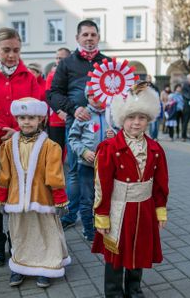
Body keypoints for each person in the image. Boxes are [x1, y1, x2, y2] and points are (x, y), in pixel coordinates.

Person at [92, 82, 169, 297]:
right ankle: (114, 292)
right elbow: (102, 185)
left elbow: (161, 183)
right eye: (131, 117)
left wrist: (160, 210)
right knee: (115, 252)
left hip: (144, 208)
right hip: (118, 208)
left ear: (149, 120)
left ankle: (134, 289)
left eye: (142, 118)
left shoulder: (155, 148)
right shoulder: (109, 148)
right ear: (120, 119)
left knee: (140, 249)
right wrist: (102, 215)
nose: (136, 123)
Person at [0, 27, 40, 267]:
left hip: (20, 144)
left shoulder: (28, 76)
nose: (12, 55)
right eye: (6, 50)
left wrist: (20, 133)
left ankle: (17, 242)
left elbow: (36, 109)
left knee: (19, 197)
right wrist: (0, 134)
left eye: (16, 50)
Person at [0, 98, 70, 288]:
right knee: (20, 233)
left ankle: (47, 266)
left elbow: (55, 175)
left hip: (42, 199)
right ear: (16, 119)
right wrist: (1, 198)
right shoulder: (7, 146)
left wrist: (60, 200)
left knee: (46, 232)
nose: (26, 122)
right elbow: (4, 174)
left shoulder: (50, 146)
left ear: (41, 120)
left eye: (31, 118)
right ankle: (20, 266)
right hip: (17, 199)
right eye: (22, 118)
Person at [48, 20, 110, 230]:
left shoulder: (108, 63)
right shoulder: (67, 63)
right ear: (78, 38)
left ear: (98, 37)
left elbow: (119, 94)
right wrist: (74, 109)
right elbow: (53, 94)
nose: (89, 38)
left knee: (105, 173)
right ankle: (72, 214)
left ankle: (99, 217)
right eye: (85, 35)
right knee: (75, 172)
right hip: (77, 126)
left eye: (93, 34)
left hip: (105, 127)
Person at [67, 90, 107, 242]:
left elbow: (122, 134)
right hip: (86, 165)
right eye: (91, 95)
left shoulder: (112, 115)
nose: (95, 98)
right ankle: (89, 229)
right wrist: (83, 152)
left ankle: (101, 226)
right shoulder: (84, 115)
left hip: (107, 166)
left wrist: (114, 134)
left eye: (98, 94)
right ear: (87, 97)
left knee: (103, 198)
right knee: (87, 199)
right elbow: (73, 138)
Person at [45, 48, 71, 151]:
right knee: (56, 152)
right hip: (56, 119)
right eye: (57, 58)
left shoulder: (72, 74)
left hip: (72, 118)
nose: (58, 60)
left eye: (61, 58)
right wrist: (59, 111)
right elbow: (48, 96)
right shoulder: (51, 75)